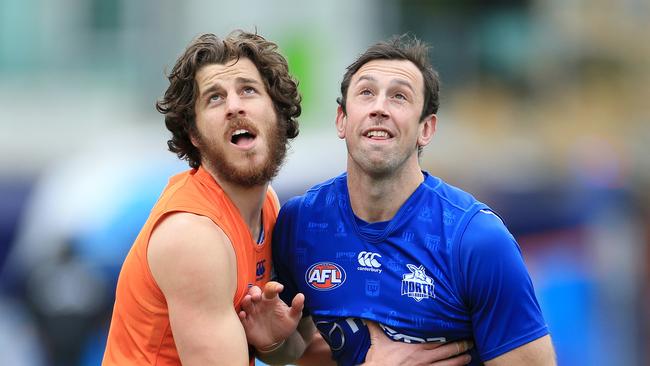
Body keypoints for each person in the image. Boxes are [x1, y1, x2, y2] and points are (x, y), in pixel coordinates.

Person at [102, 30, 472, 366]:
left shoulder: (269, 208)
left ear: (278, 114)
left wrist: (278, 345)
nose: (234, 106)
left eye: (248, 90)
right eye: (215, 98)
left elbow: (293, 348)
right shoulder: (192, 235)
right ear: (194, 135)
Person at [239, 35, 556, 365]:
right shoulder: (300, 223)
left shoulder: (477, 240)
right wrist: (274, 344)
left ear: (426, 129)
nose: (379, 108)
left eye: (399, 97)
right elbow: (299, 350)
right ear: (341, 120)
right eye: (366, 93)